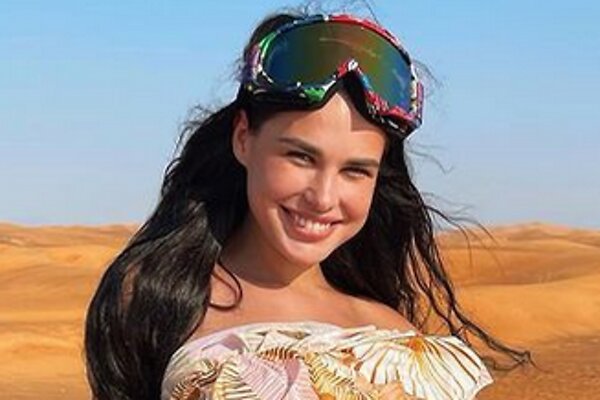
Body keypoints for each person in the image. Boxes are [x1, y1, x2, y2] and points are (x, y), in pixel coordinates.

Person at [85, 8, 533, 400]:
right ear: (244, 139)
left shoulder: (396, 338)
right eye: (301, 157)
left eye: (355, 171)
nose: (323, 197)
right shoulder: (160, 301)